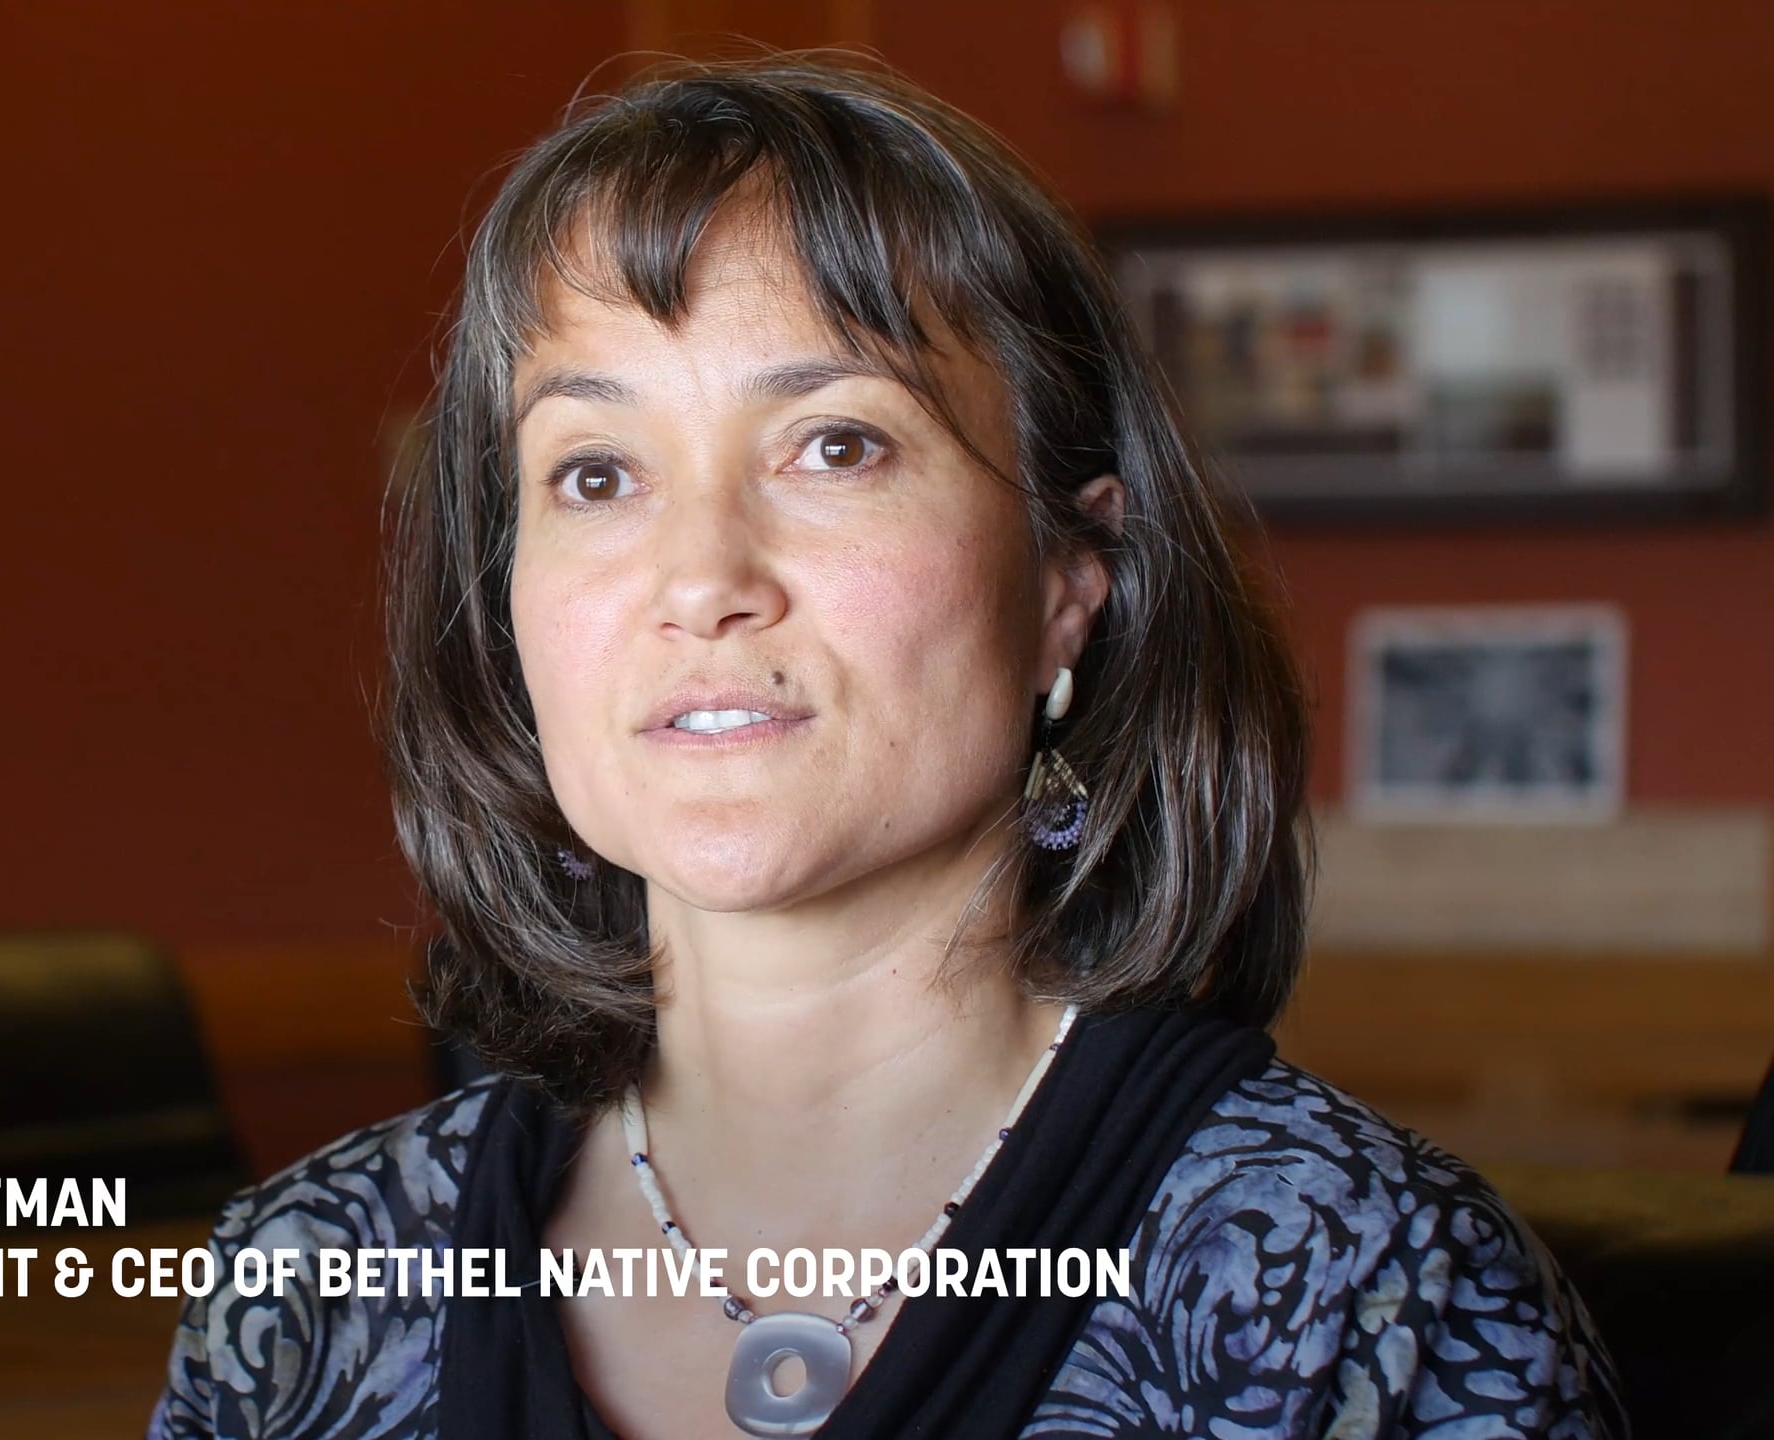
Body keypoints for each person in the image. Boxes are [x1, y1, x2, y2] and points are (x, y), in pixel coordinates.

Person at [149, 53, 1625, 1440]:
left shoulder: (1359, 1298)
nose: (701, 576)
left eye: (835, 444)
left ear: (1065, 583)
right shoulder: (304, 1289)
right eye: (597, 472)